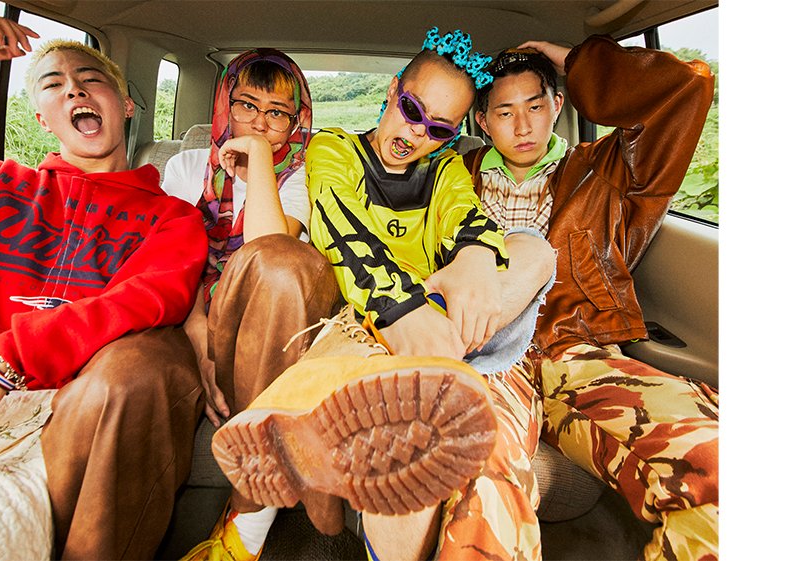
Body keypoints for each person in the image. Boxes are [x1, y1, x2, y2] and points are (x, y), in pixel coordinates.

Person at [207, 27, 558, 561]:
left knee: (534, 249)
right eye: (413, 110)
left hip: (442, 321)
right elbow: (340, 228)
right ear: (394, 90)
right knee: (396, 402)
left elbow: (465, 216)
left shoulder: (444, 169)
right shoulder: (335, 149)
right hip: (367, 318)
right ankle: (374, 388)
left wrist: (475, 258)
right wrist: (401, 311)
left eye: (439, 128)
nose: (417, 134)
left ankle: (397, 379)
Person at [0, 11, 208, 560]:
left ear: (126, 105)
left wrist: (2, 359)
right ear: (42, 118)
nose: (74, 88)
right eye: (54, 85)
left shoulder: (172, 219)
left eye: (91, 78)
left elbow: (149, 297)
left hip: (39, 434)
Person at [426, 37, 718, 561]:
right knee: (475, 479)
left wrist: (573, 59)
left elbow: (684, 90)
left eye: (536, 106)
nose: (523, 126)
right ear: (483, 122)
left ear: (558, 104)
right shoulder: (451, 178)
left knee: (714, 459)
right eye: (505, 113)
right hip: (484, 353)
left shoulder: (609, 170)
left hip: (576, 348)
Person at [160, 50, 342, 561]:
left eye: (277, 112)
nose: (261, 122)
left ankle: (247, 518)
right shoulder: (186, 167)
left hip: (270, 321)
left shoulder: (305, 175)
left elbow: (271, 253)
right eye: (246, 105)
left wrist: (259, 158)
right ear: (225, 105)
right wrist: (196, 329)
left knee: (284, 266)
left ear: (296, 120)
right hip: (192, 313)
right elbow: (171, 260)